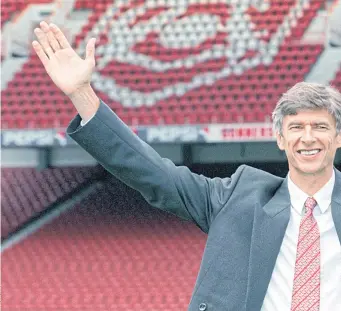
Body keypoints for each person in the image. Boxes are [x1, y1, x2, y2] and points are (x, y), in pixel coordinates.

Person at [32, 21, 341, 311]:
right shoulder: (240, 198)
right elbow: (155, 175)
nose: (308, 138)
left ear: (338, 137)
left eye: (320, 127)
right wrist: (81, 94)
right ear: (281, 139)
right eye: (297, 128)